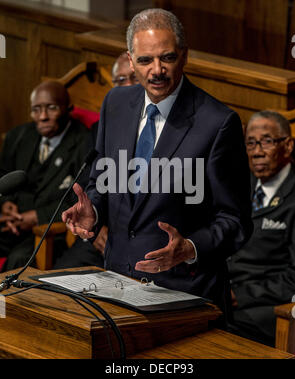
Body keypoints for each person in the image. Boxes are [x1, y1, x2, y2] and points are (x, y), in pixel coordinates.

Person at [62, 8, 252, 314]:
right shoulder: (116, 103)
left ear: (185, 56)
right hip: (117, 281)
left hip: (184, 291)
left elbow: (236, 220)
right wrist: (94, 211)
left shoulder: (218, 123)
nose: (157, 70)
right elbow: (102, 180)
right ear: (131, 58)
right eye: (145, 60)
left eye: (167, 58)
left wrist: (190, 248)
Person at [54, 52, 140, 269]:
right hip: (98, 237)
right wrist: (96, 229)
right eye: (121, 80)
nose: (128, 85)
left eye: (134, 78)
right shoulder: (100, 130)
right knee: (60, 283)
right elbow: (87, 185)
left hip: (142, 244)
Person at [228, 110, 295, 347]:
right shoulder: (237, 184)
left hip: (270, 304)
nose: (257, 151)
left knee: (215, 323)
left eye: (267, 141)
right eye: (250, 143)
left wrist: (242, 296)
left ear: (287, 146)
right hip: (224, 288)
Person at [0, 81, 89, 271]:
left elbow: (81, 201)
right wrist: (5, 205)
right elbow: (3, 177)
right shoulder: (18, 136)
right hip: (11, 225)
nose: (42, 117)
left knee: (19, 260)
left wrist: (36, 217)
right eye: (36, 110)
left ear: (68, 109)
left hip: (48, 230)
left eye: (51, 108)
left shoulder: (85, 143)